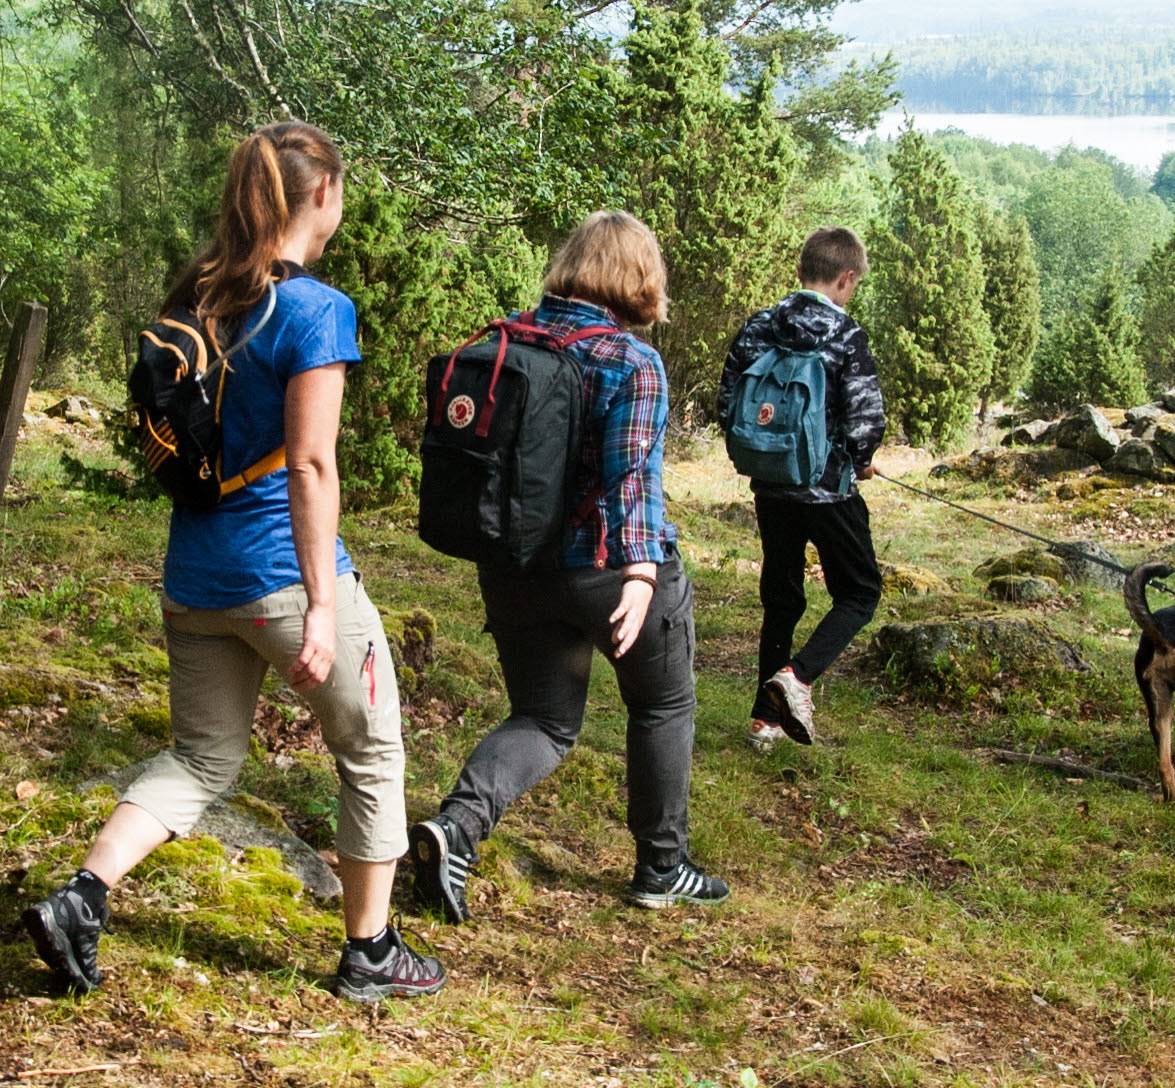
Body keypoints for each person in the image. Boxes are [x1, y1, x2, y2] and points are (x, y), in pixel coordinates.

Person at [20, 122, 445, 1002]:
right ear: (320, 194)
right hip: (283, 578)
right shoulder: (316, 309)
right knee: (371, 749)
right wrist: (324, 608)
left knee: (203, 759)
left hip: (195, 578)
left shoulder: (201, 295)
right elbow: (312, 463)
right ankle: (369, 951)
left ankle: (82, 898)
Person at [409, 211, 726, 919]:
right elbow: (631, 478)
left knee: (545, 719)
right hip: (608, 569)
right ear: (638, 278)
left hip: (515, 563)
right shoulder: (631, 361)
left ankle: (456, 826)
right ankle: (661, 867)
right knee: (663, 703)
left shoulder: (500, 339)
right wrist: (643, 574)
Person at [717, 226, 886, 751]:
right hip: (828, 491)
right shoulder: (846, 335)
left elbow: (728, 399)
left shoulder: (759, 325)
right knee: (860, 592)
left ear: (800, 270)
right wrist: (862, 462)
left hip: (770, 485)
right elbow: (865, 417)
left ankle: (764, 722)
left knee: (782, 597)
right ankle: (798, 678)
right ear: (846, 277)